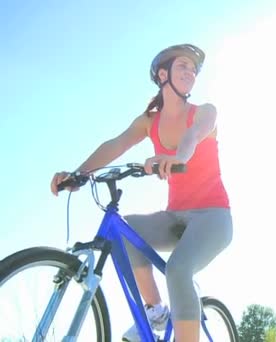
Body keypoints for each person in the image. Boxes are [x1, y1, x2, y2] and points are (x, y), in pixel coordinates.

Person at [50, 44, 233, 342]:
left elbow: (194, 135)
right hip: (176, 217)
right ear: (164, 74)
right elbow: (117, 144)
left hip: (213, 217)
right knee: (125, 231)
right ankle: (156, 311)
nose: (190, 72)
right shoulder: (150, 122)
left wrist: (179, 158)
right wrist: (78, 174)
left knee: (177, 270)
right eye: (183, 66)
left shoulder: (205, 112)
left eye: (193, 69)